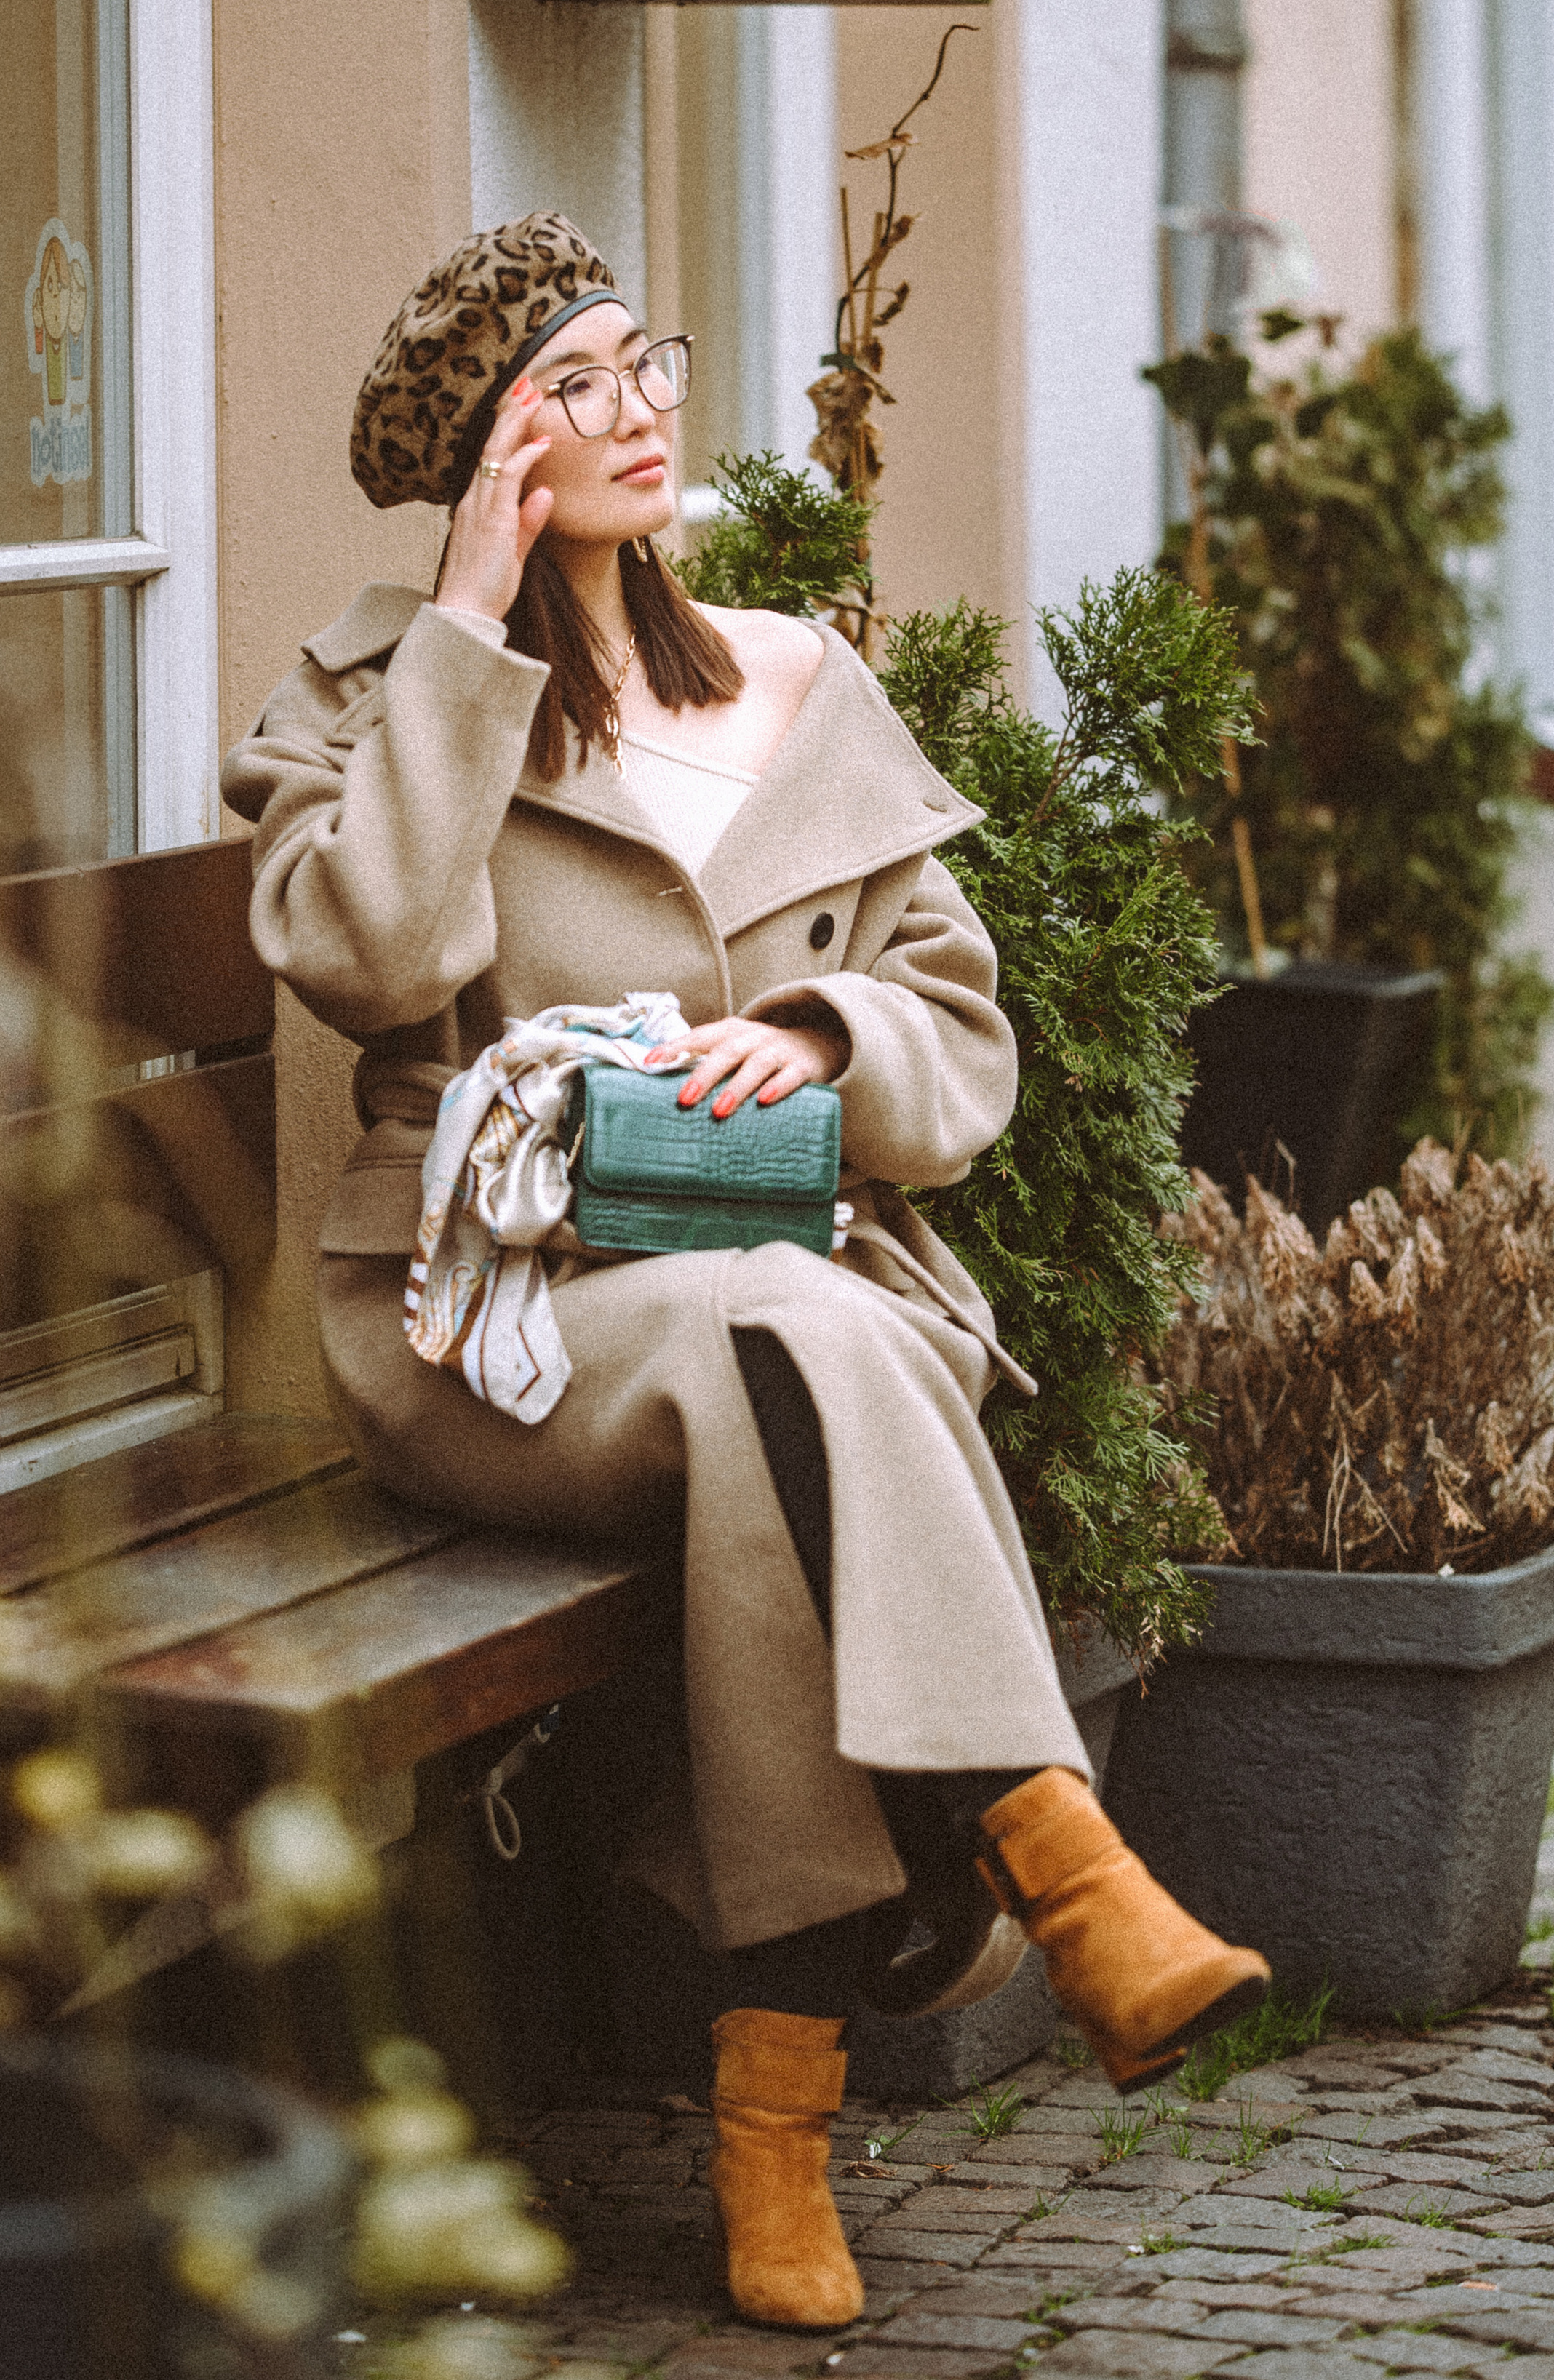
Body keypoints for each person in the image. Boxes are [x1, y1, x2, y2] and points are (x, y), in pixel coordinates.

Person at [221, 213, 1269, 2334]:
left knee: (774, 1395)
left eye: (647, 363)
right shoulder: (366, 696)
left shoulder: (795, 674)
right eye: (573, 389)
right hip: (490, 1321)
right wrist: (463, 627)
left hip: (779, 1296)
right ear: (488, 455)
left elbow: (961, 1041)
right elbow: (373, 959)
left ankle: (779, 2129)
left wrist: (814, 1037)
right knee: (787, 1343)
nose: (639, 411)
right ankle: (1057, 1855)